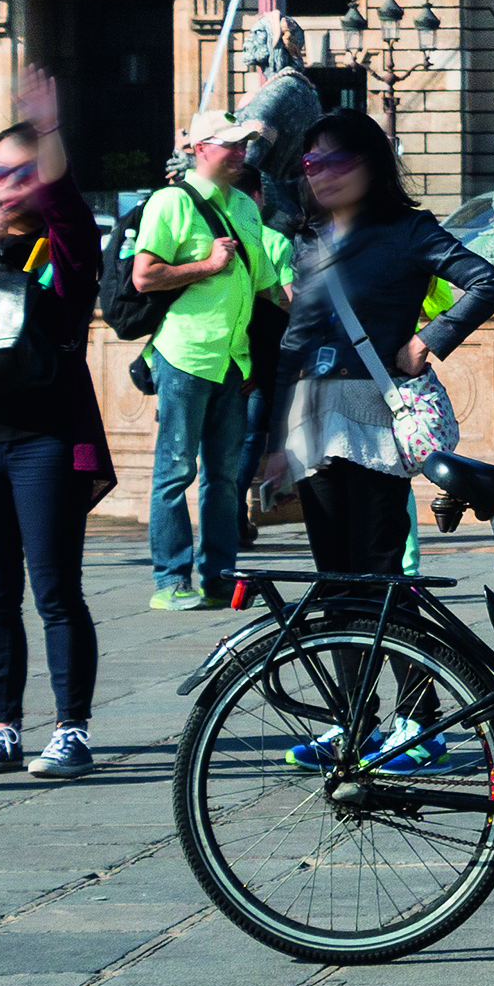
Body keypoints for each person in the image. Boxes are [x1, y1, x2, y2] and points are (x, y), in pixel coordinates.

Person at [0, 67, 115, 781]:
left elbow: (71, 213)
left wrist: (48, 131)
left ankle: (71, 728)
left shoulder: (64, 254)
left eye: (21, 173)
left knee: (54, 589)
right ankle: (1, 726)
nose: (9, 186)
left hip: (45, 439)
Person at [262, 106, 494, 596]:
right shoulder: (309, 241)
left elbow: (489, 283)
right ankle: (349, 677)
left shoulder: (407, 230)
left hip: (375, 418)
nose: (323, 173)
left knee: (379, 573)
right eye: (313, 163)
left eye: (338, 160)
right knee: (331, 578)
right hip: (312, 421)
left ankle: (414, 673)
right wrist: (273, 443)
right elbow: (295, 342)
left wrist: (426, 341)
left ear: (370, 163)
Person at [130, 110, 290, 611]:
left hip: (232, 361)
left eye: (244, 143)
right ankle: (171, 579)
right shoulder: (170, 202)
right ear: (200, 148)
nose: (241, 151)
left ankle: (218, 576)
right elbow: (144, 276)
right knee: (175, 471)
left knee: (223, 478)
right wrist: (208, 265)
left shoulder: (245, 205)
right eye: (230, 144)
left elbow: (266, 287)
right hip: (183, 354)